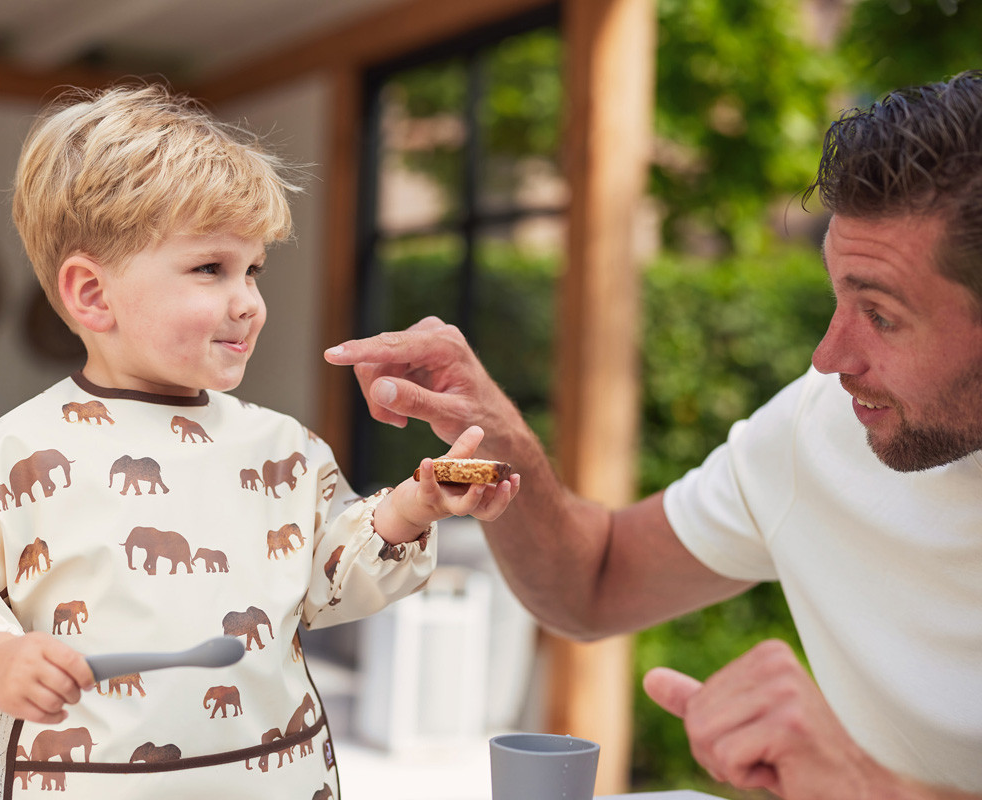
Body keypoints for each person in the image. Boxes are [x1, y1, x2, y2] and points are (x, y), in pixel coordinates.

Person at [325, 70, 982, 799]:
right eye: (838, 298)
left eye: (883, 316)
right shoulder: (819, 426)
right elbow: (594, 580)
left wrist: (871, 789)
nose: (829, 359)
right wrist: (495, 432)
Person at [0, 83, 517, 799]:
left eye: (253, 270)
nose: (248, 300)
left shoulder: (282, 448)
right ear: (93, 295)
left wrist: (416, 504)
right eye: (211, 269)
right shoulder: (29, 445)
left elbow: (326, 579)